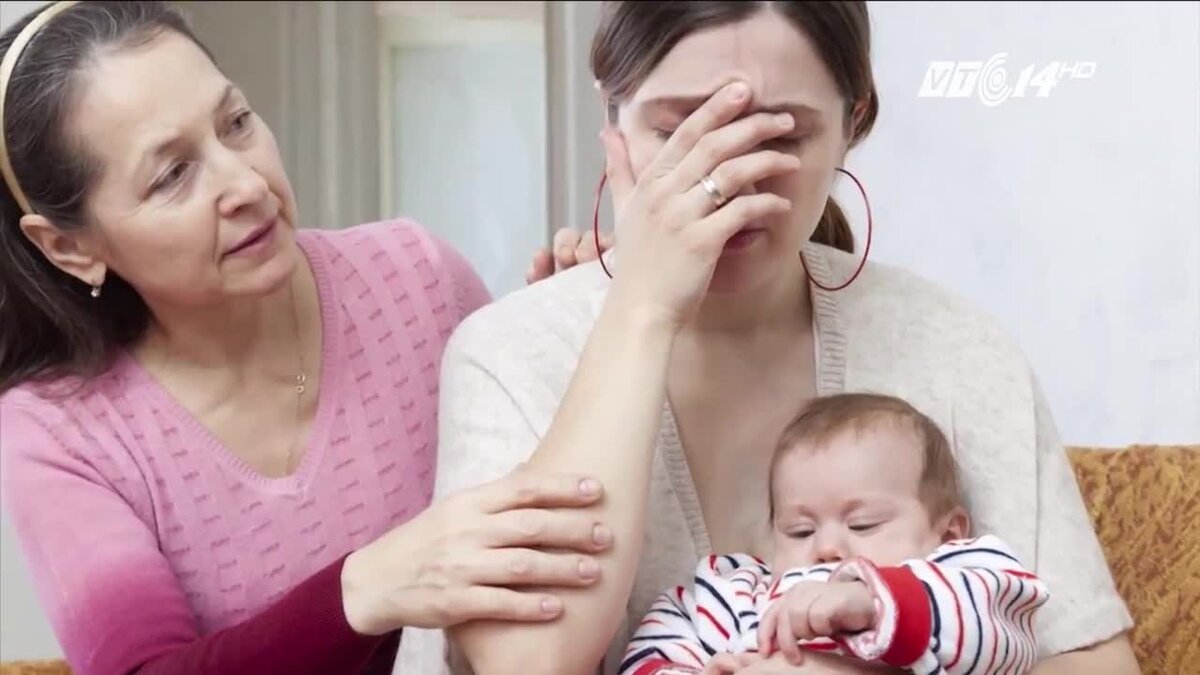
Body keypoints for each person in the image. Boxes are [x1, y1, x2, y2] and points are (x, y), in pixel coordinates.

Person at [396, 1, 1139, 674]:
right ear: (613, 118)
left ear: (853, 122)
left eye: (780, 135)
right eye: (679, 132)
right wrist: (641, 309)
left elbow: (1090, 659)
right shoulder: (510, 351)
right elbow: (528, 663)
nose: (731, 180)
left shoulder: (953, 346)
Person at [0, 2, 611, 674]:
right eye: (172, 175)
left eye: (236, 123)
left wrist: (569, 349)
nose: (245, 182)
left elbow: (559, 540)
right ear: (68, 247)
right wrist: (367, 588)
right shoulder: (61, 432)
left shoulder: (419, 277)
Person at [618, 393, 1050, 675]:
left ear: (949, 531)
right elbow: (656, 648)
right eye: (799, 530)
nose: (826, 548)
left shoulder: (961, 574)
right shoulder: (739, 594)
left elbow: (1006, 637)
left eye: (863, 525)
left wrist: (873, 602)